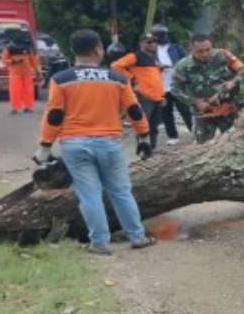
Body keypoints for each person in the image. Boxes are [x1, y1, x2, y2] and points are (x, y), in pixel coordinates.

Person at [36, 29, 156, 256]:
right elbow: (134, 110)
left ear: (73, 51)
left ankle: (100, 243)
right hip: (109, 142)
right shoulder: (118, 78)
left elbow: (54, 115)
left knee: (89, 194)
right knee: (121, 192)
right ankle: (137, 237)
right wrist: (144, 137)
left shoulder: (61, 79)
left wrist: (44, 146)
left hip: (74, 144)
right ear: (99, 49)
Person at [172, 34, 244, 144]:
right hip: (203, 113)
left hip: (228, 109)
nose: (205, 54)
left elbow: (243, 70)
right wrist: (194, 101)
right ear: (191, 49)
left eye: (208, 50)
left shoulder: (223, 55)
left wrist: (233, 82)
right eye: (200, 51)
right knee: (203, 147)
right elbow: (175, 88)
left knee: (237, 143)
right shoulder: (183, 66)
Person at [112, 32, 166, 151]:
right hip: (144, 96)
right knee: (143, 125)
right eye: (149, 42)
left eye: (154, 41)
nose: (152, 44)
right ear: (141, 43)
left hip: (156, 96)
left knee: (154, 126)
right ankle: (144, 150)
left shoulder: (153, 58)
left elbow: (152, 77)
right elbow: (115, 66)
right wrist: (133, 79)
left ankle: (152, 148)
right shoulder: (135, 56)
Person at [152, 24, 192, 144]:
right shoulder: (152, 51)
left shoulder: (176, 48)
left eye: (164, 34)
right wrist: (157, 67)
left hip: (176, 84)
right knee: (166, 112)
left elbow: (186, 63)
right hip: (161, 85)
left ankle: (194, 132)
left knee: (185, 110)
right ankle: (173, 136)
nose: (162, 37)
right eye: (159, 35)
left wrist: (170, 67)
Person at [0, 30, 39, 115]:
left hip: (27, 73)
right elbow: (3, 61)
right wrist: (13, 61)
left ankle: (28, 107)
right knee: (15, 91)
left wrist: (37, 71)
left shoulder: (28, 49)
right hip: (15, 73)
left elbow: (33, 61)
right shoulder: (9, 49)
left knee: (28, 91)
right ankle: (15, 108)